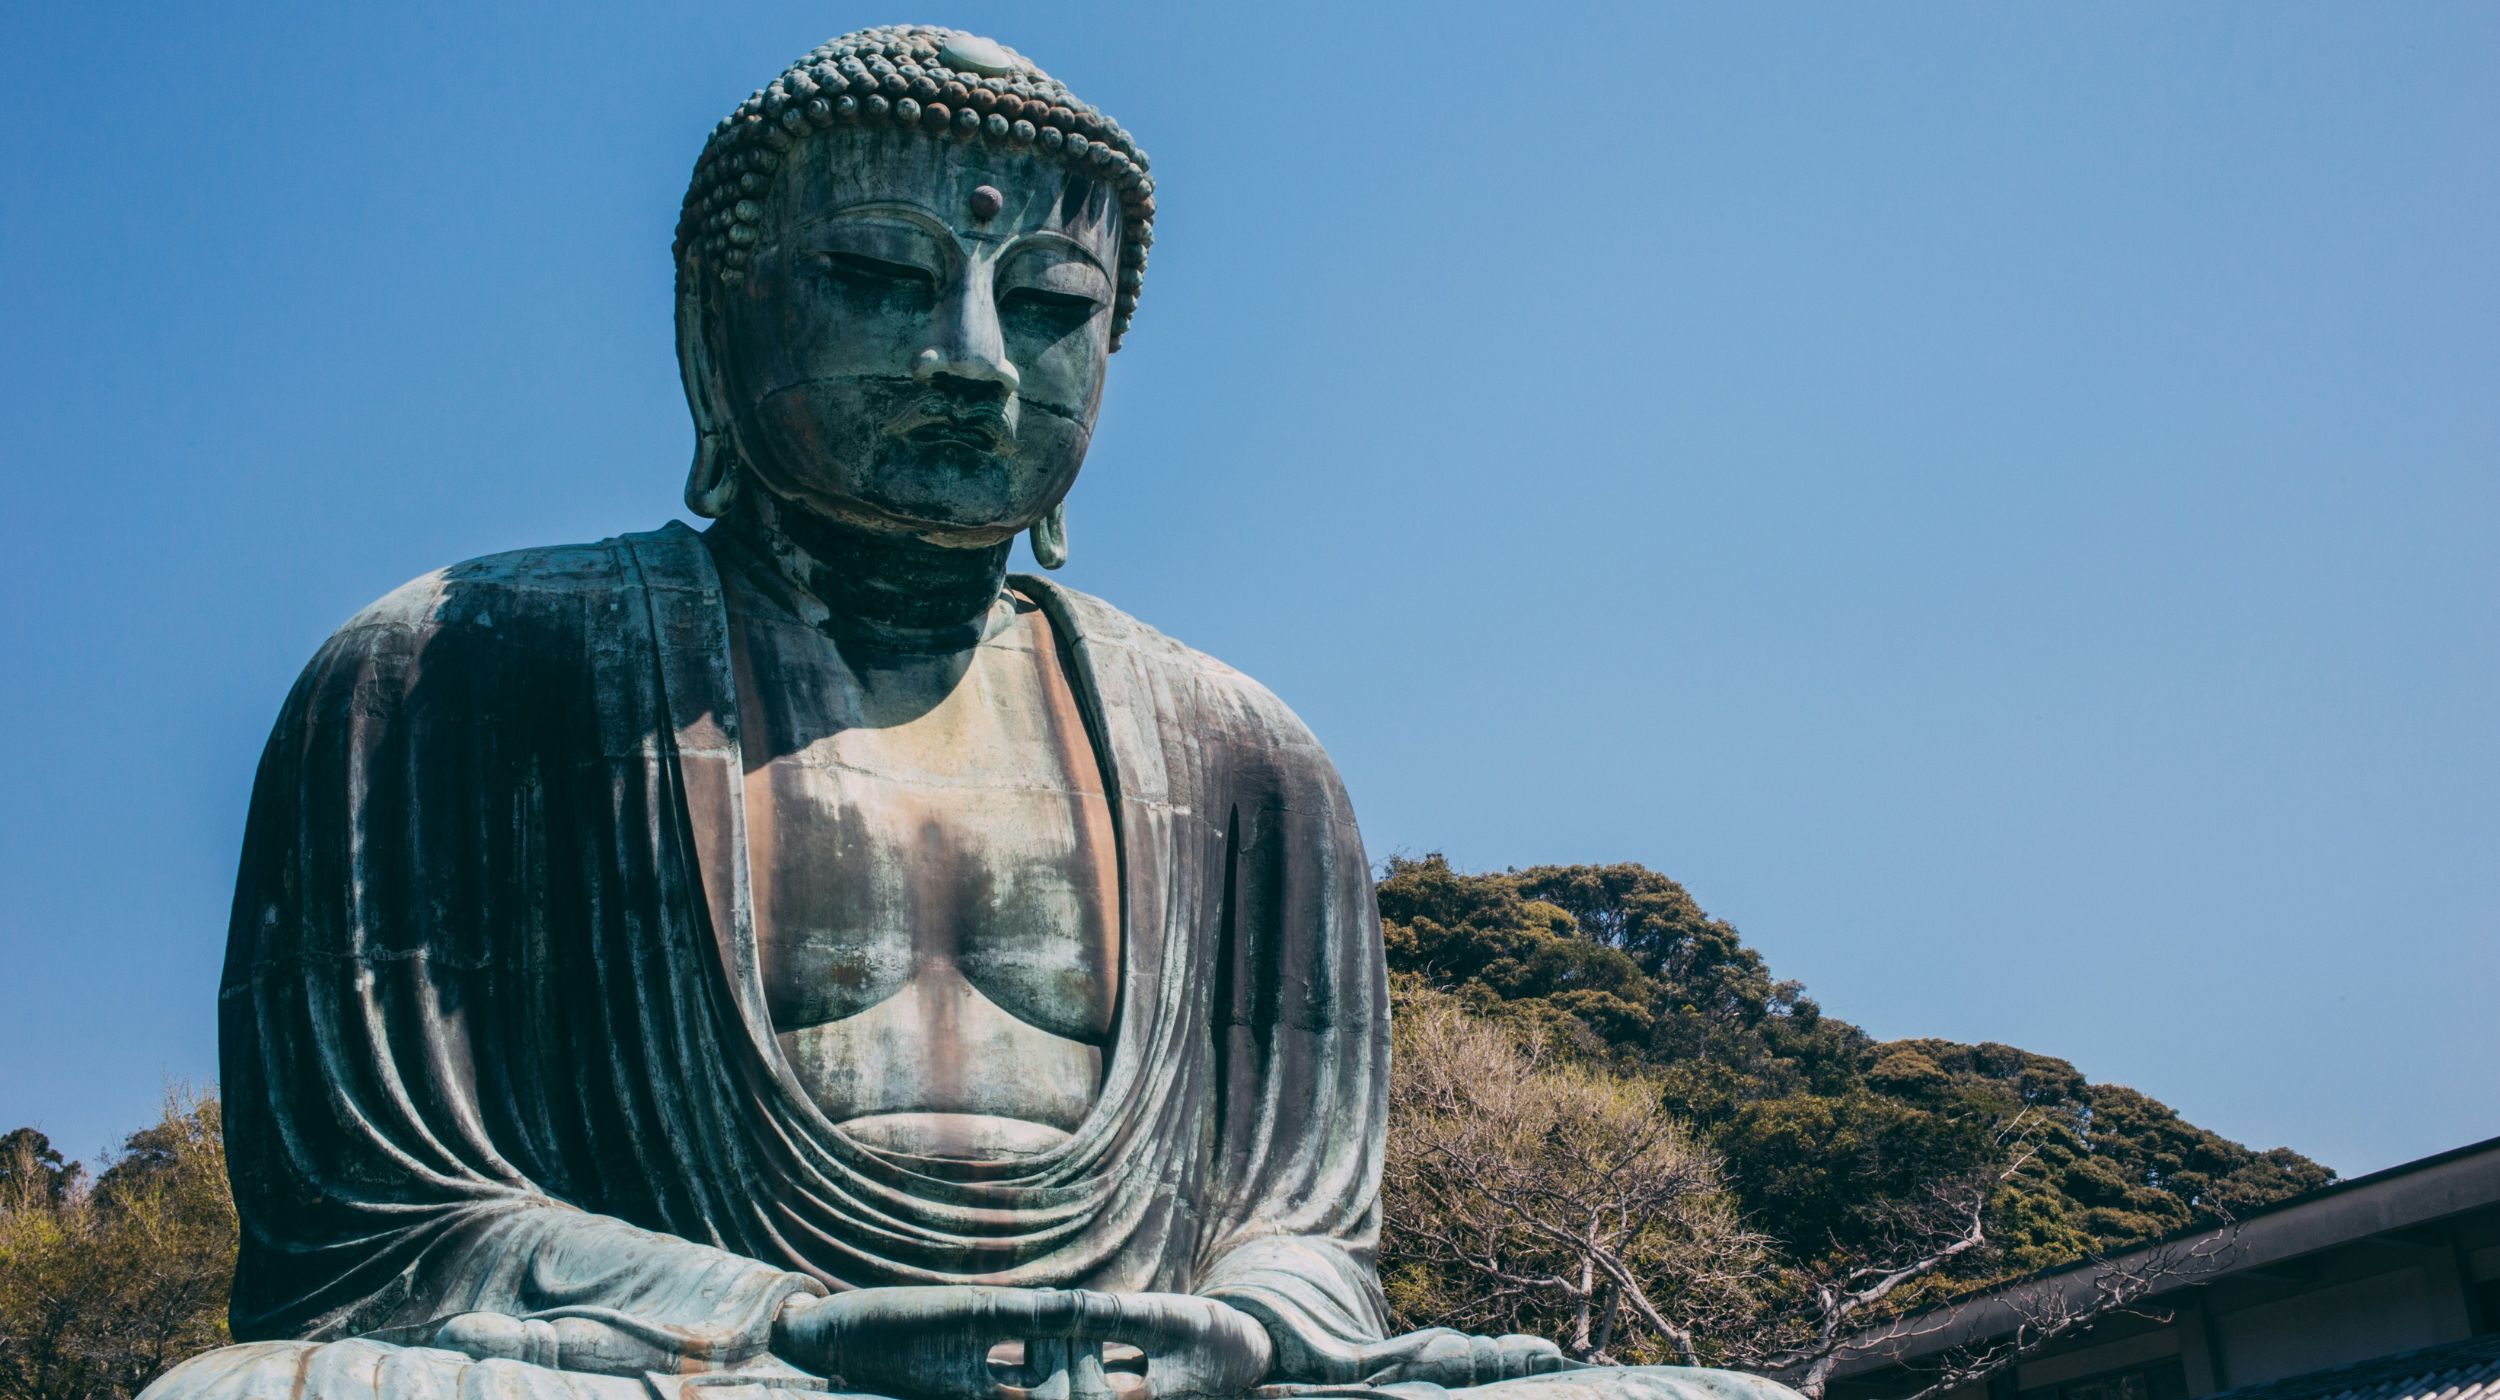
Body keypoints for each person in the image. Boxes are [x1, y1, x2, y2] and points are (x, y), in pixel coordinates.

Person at [145, 27, 1807, 1400]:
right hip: (698, 1369)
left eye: (1051, 307)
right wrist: (779, 1319)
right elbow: (375, 1227)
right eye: (882, 276)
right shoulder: (457, 667)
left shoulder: (1246, 757)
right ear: (712, 328)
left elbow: (1305, 1238)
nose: (976, 362)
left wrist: (1240, 1324)